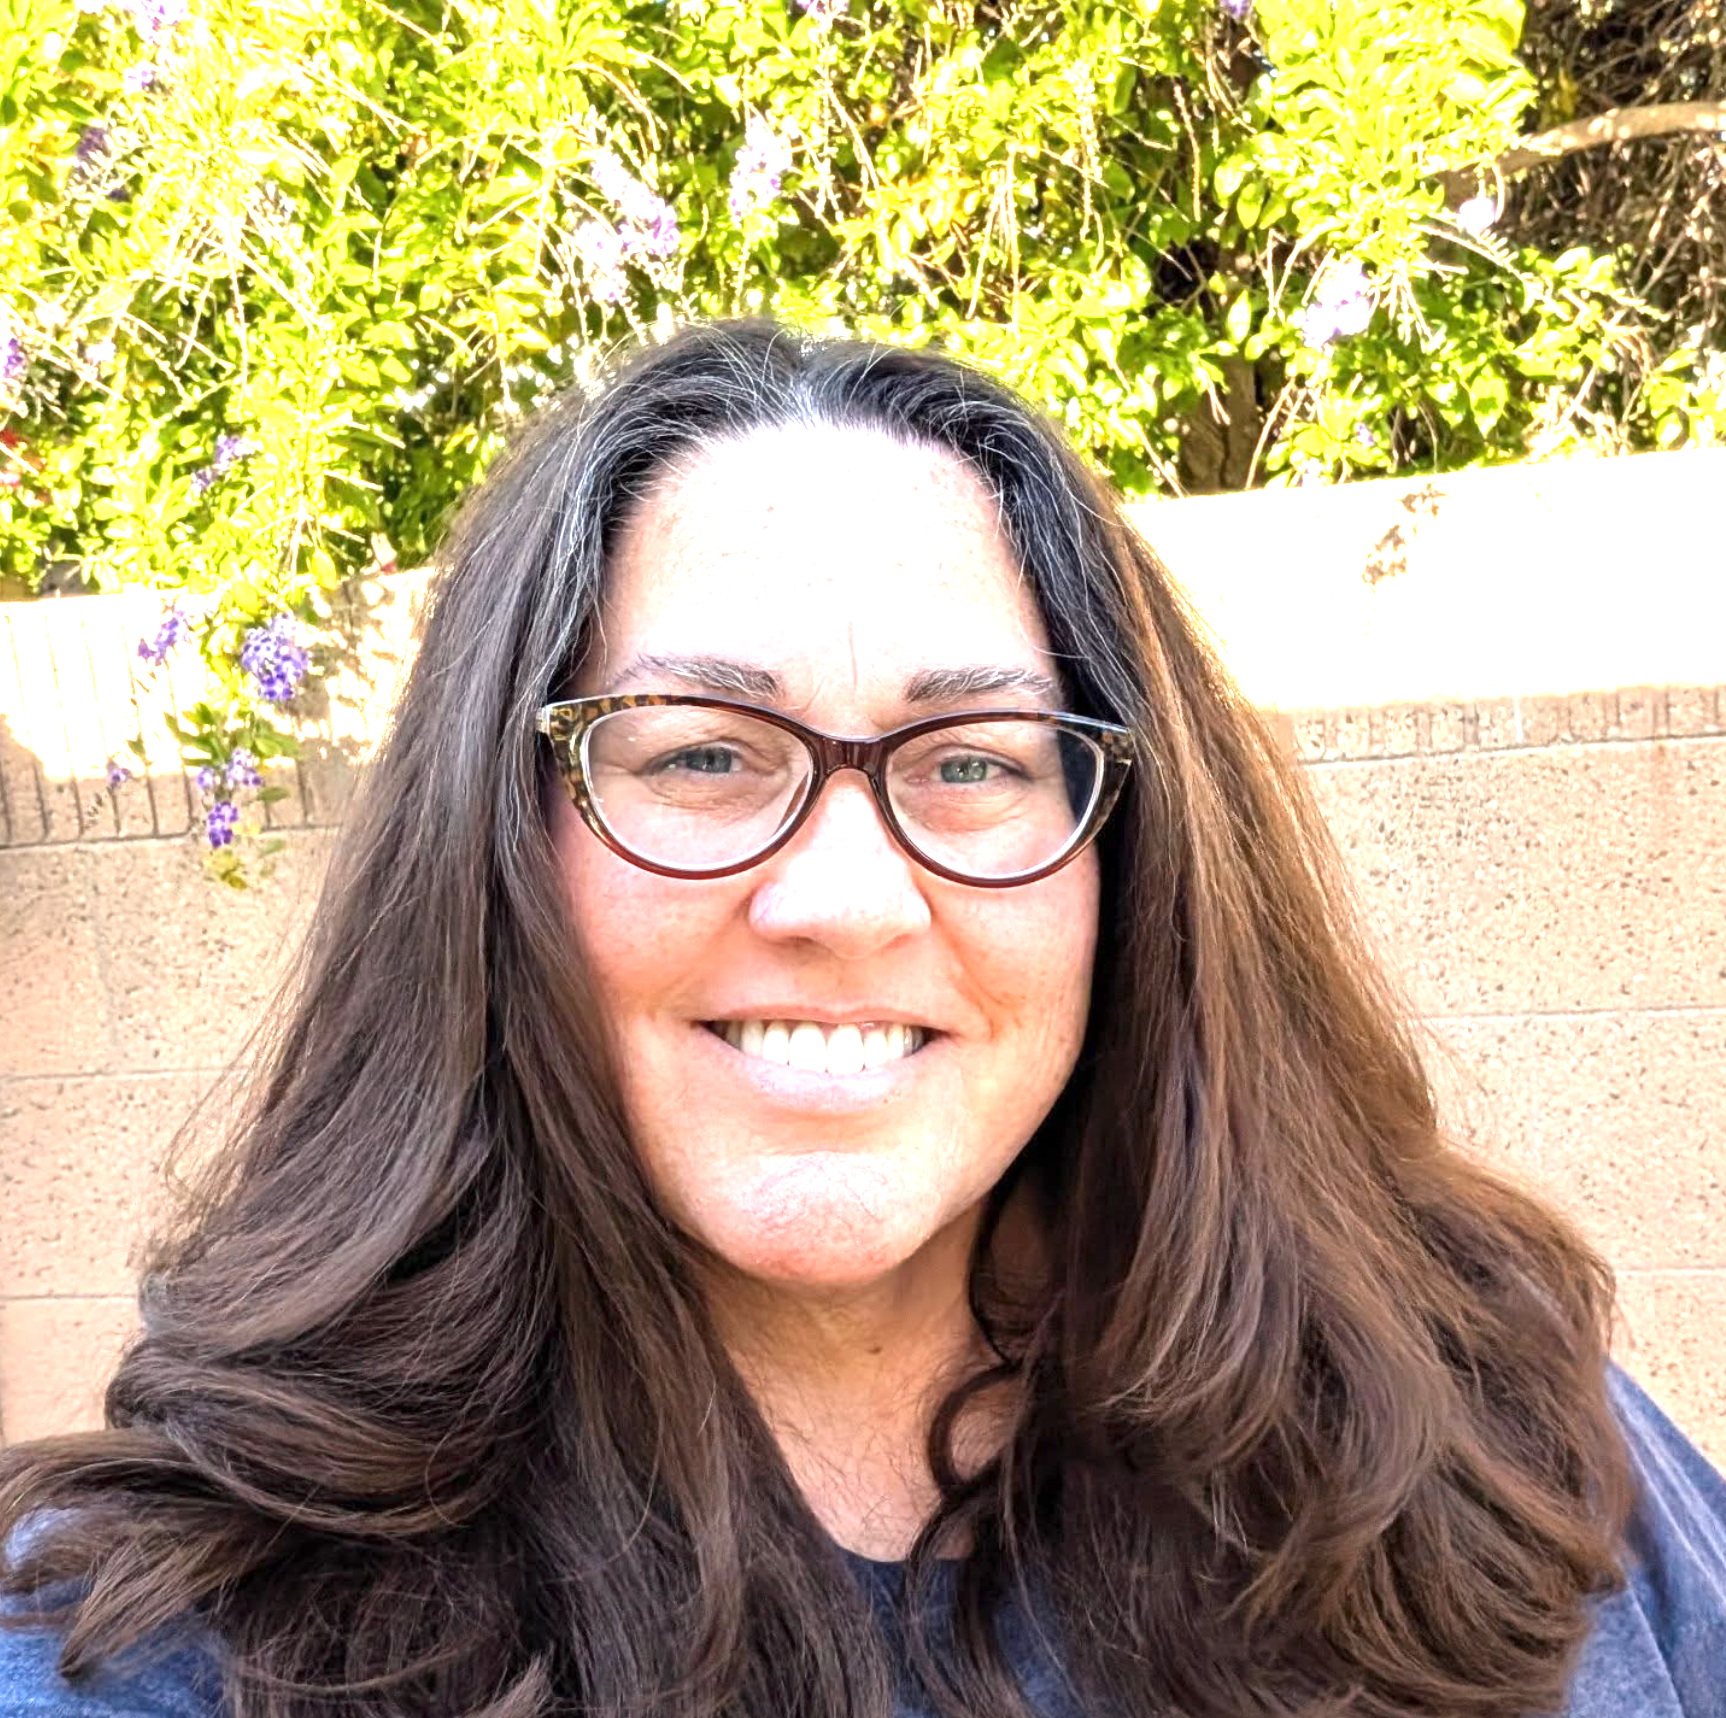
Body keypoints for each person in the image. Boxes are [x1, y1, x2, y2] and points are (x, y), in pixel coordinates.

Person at [2, 317, 1722, 1718]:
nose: (841, 896)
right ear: (493, 848)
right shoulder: (169, 1641)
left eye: (970, 762)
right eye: (697, 755)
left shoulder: (1505, 1455)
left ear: (1131, 860)